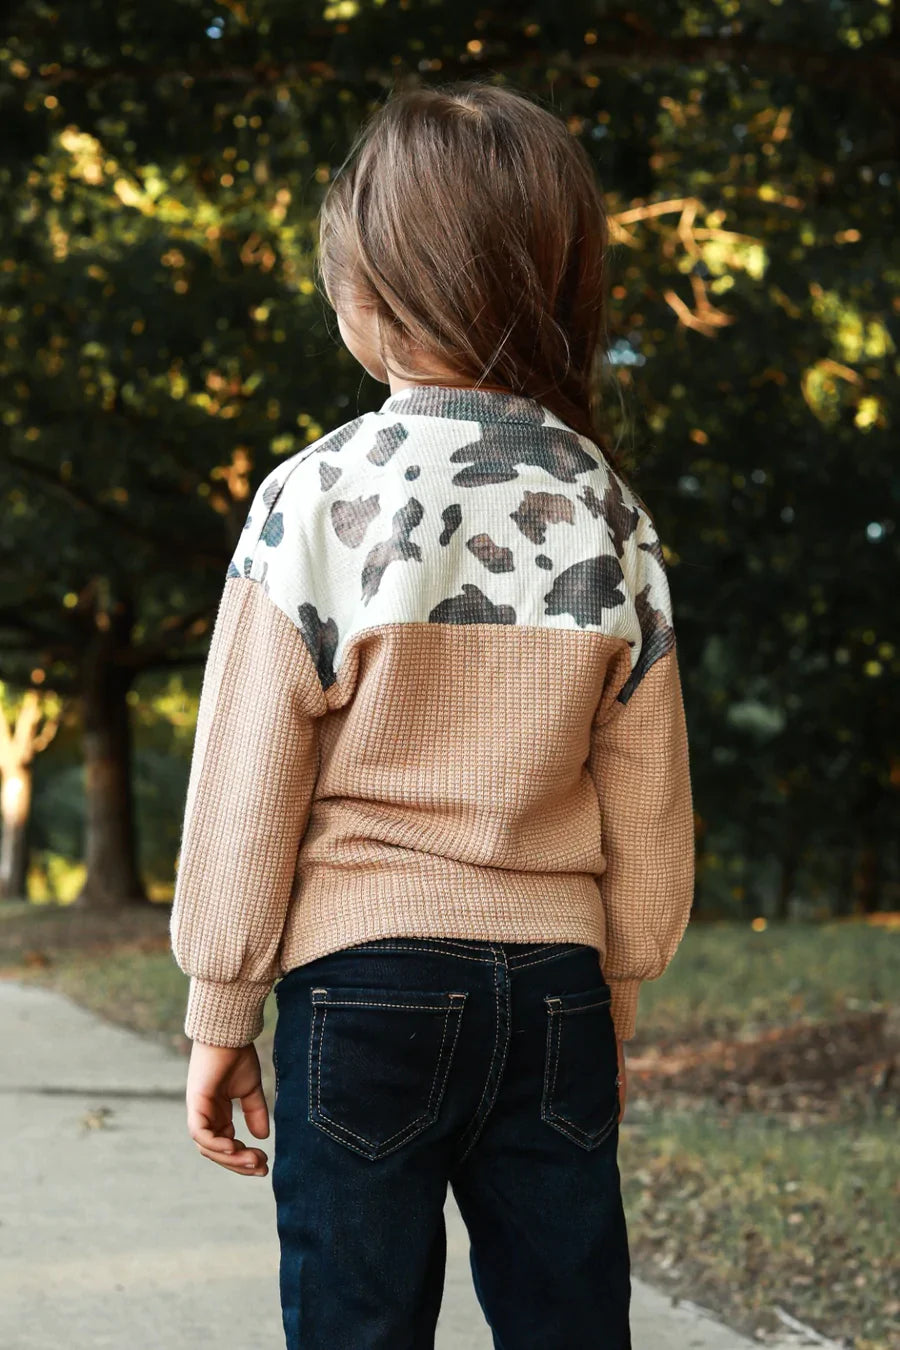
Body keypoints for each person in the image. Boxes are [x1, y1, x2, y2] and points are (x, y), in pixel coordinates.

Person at [169, 79, 695, 1350]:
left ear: (372, 294)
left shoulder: (316, 496)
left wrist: (220, 1012)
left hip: (363, 982)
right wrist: (611, 996)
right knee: (570, 1320)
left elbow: (248, 777)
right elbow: (649, 783)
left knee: (358, 1323)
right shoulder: (604, 507)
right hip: (557, 992)